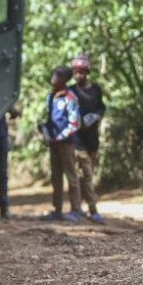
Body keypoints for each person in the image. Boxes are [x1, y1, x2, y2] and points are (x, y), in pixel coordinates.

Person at [42, 65, 83, 222]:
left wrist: (59, 137)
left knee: (71, 176)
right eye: (53, 73)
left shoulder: (70, 97)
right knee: (56, 177)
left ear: (64, 80)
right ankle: (57, 209)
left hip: (66, 143)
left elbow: (75, 123)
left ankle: (76, 210)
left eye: (58, 75)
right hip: (53, 144)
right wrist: (45, 132)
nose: (54, 77)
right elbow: (49, 120)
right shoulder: (50, 97)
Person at [70, 55, 105, 224]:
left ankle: (84, 208)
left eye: (81, 72)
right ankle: (87, 209)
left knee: (87, 176)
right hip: (77, 141)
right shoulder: (71, 91)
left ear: (87, 72)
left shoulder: (96, 89)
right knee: (82, 176)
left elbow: (101, 107)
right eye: (76, 72)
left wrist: (96, 116)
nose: (78, 75)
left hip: (92, 140)